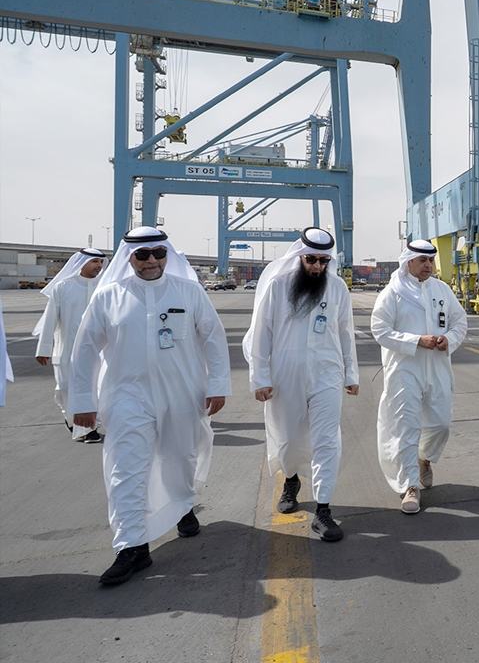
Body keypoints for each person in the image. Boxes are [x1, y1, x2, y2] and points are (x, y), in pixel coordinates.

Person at [70, 227, 230, 586]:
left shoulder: (189, 291)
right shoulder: (109, 296)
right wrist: (82, 401)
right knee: (125, 468)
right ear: (129, 259)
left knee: (181, 458)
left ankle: (182, 506)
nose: (151, 261)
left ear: (167, 255)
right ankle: (132, 546)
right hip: (127, 396)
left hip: (183, 393)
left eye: (158, 253)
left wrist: (218, 385)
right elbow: (84, 350)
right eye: (142, 255)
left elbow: (213, 339)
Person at [244, 227, 359, 542]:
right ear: (299, 257)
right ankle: (291, 479)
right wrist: (260, 378)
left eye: (324, 261)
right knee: (290, 440)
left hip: (327, 375)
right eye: (312, 260)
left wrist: (351, 375)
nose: (317, 267)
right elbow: (261, 334)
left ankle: (323, 510)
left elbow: (346, 333)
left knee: (327, 441)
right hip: (286, 376)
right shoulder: (278, 286)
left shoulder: (337, 288)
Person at [371, 239, 468, 514]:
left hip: (437, 367)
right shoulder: (393, 292)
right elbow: (380, 329)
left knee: (440, 424)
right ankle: (410, 486)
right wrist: (416, 341)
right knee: (407, 427)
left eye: (431, 260)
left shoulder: (441, 289)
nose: (428, 265)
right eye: (423, 260)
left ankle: (424, 459)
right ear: (409, 262)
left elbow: (459, 322)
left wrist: (448, 339)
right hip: (405, 369)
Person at [33, 247, 107, 442]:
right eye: (95, 261)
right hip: (67, 349)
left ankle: (89, 429)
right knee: (66, 388)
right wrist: (44, 349)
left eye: (101, 262)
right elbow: (50, 320)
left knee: (95, 387)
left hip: (97, 350)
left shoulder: (105, 287)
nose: (99, 266)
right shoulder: (63, 287)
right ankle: (72, 419)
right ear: (81, 263)